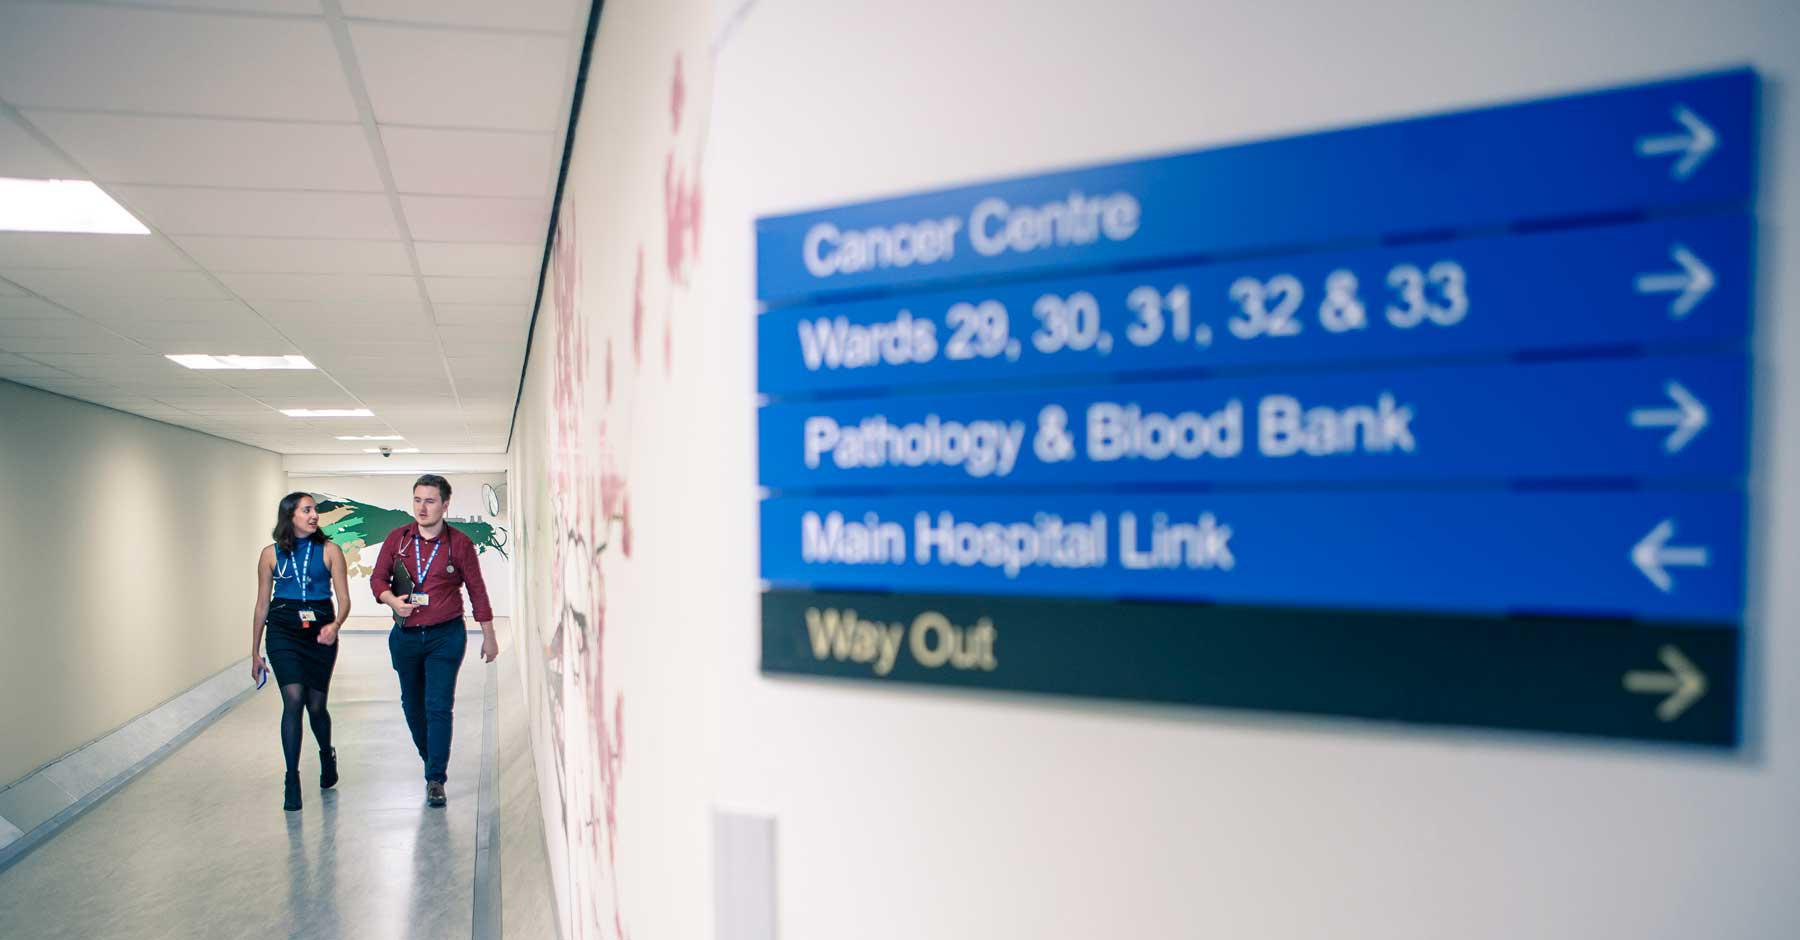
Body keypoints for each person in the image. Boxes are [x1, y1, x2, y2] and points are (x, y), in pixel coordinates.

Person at [371, 474, 498, 808]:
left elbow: (477, 591)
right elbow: (378, 578)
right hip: (406, 637)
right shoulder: (398, 539)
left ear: (445, 504)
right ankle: (431, 758)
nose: (422, 508)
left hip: (446, 636)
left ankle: (435, 779)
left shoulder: (459, 544)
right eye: (417, 500)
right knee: (412, 705)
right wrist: (391, 600)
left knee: (438, 706)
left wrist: (489, 636)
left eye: (430, 501)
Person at [251, 492, 351, 812]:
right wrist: (255, 652)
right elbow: (262, 605)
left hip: (320, 630)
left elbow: (344, 599)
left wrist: (335, 625)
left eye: (314, 510)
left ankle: (326, 754)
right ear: (290, 516)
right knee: (293, 699)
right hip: (283, 629)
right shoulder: (269, 555)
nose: (313, 516)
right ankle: (291, 779)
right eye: (306, 510)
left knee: (316, 706)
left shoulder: (331, 551)